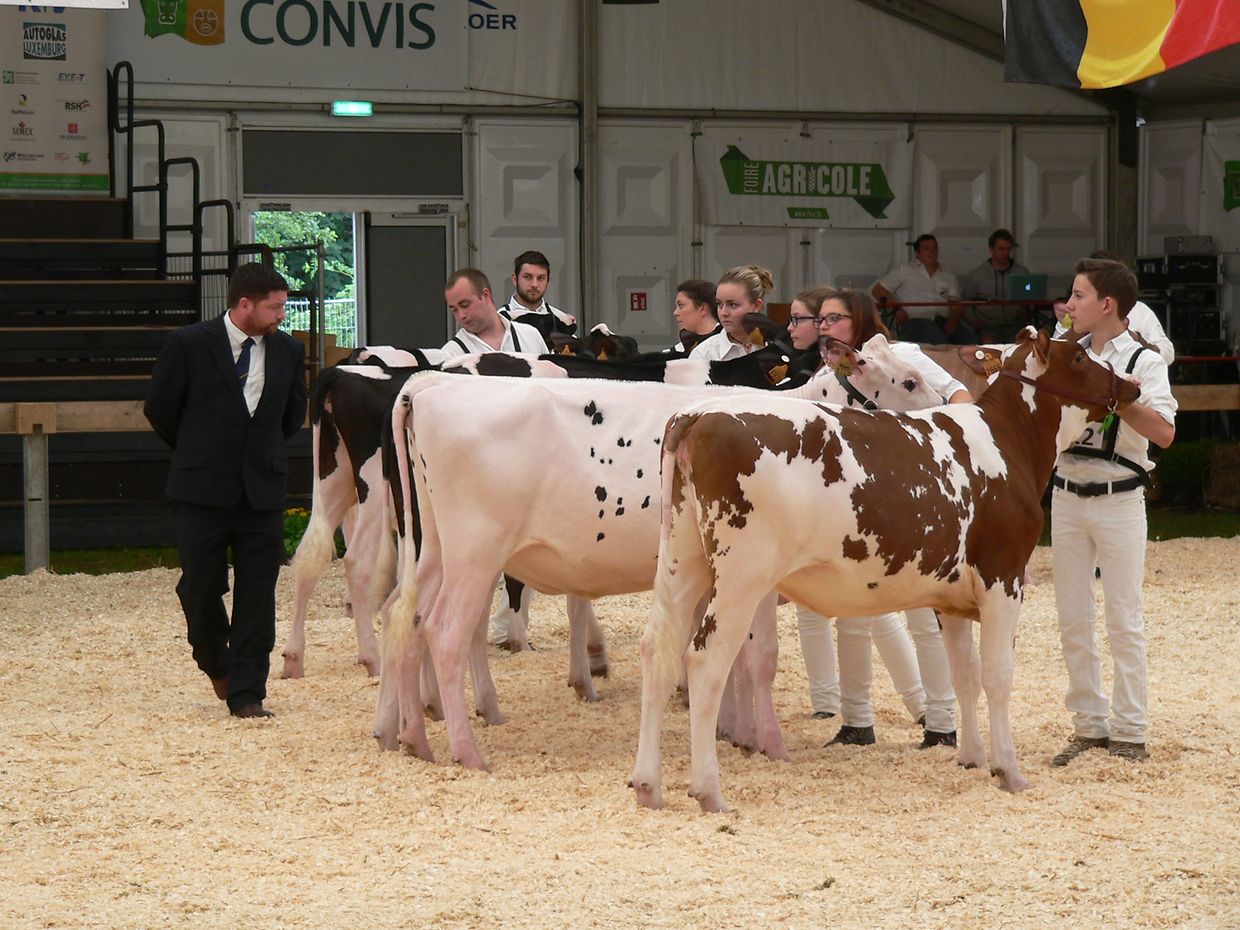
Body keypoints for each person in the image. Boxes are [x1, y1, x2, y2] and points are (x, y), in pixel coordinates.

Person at [793, 288, 966, 746]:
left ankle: (942, 723)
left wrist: (949, 450)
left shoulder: (901, 354)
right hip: (853, 507)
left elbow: (954, 394)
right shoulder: (831, 371)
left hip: (912, 497)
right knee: (850, 613)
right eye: (822, 319)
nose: (825, 325)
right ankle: (856, 720)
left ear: (860, 320)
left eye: (835, 318)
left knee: (923, 612)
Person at [144, 262, 307, 719]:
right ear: (244, 304)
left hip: (263, 491)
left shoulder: (289, 352)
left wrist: (258, 454)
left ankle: (247, 693)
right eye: (274, 308)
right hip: (200, 489)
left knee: (258, 593)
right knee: (200, 587)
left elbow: (290, 417)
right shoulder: (189, 344)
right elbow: (160, 409)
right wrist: (201, 449)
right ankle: (216, 663)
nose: (281, 316)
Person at [1050, 258, 1176, 767]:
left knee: (1123, 618)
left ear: (1107, 305)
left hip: (1120, 496)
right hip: (1065, 494)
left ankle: (1130, 730)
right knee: (1073, 619)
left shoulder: (1144, 361)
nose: (1069, 304)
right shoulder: (1062, 356)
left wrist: (1117, 399)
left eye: (1078, 295)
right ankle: (1089, 726)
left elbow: (1165, 433)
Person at [1052, 250, 1175, 364]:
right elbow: (1051, 359)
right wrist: (1075, 332)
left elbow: (1167, 355)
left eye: (1079, 295)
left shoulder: (1140, 311)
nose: (1069, 304)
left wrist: (1129, 335)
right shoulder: (1072, 315)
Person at [872, 234, 977, 345]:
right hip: (915, 321)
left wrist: (953, 321)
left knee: (972, 341)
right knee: (939, 342)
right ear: (917, 253)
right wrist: (896, 310)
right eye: (926, 248)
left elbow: (956, 304)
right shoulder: (904, 270)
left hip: (943, 320)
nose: (931, 252)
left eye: (934, 248)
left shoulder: (949, 276)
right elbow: (878, 290)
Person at [440, 267, 550, 360]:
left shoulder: (530, 336)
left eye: (465, 305)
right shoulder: (451, 354)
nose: (461, 316)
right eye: (454, 309)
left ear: (486, 295)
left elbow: (553, 382)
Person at [689, 264, 774, 361]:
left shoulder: (774, 347)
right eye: (719, 304)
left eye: (733, 305)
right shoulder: (704, 354)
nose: (723, 313)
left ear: (756, 306)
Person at [960, 228, 1032, 343]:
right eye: (1001, 249)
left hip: (1015, 326)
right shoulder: (977, 275)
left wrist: (1026, 313)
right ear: (991, 249)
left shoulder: (1022, 273)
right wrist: (973, 321)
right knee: (988, 345)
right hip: (988, 327)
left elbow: (1031, 297)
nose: (1005, 253)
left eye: (1008, 249)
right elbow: (966, 302)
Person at [498, 250, 577, 333]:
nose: (534, 284)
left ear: (548, 281)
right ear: (515, 279)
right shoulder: (499, 320)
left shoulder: (561, 321)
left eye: (541, 278)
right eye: (527, 277)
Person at [669, 278, 721, 353]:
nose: (675, 313)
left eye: (681, 305)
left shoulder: (727, 344)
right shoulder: (679, 349)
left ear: (702, 309)